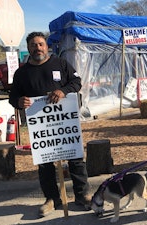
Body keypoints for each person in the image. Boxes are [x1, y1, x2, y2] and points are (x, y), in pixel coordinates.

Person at [9, 32, 91, 218]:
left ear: (46, 46)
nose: (37, 48)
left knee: (75, 157)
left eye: (40, 44)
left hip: (65, 122)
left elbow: (76, 82)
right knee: (45, 163)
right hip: (41, 126)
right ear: (28, 48)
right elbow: (13, 97)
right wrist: (19, 101)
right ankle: (52, 199)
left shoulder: (61, 64)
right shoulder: (21, 73)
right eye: (33, 45)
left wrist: (62, 91)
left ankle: (82, 195)